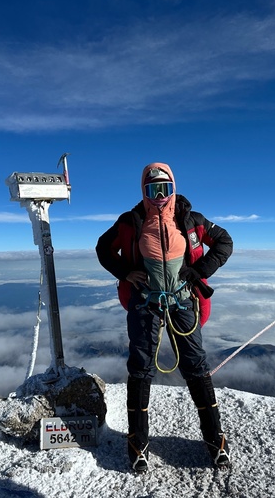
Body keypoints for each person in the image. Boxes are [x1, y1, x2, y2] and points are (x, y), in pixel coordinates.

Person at [96, 162, 234, 473]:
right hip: (146, 303)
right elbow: (104, 248)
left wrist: (199, 272)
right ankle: (137, 442)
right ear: (143, 191)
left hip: (183, 302)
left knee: (196, 366)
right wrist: (124, 273)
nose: (159, 196)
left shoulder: (189, 219)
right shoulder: (130, 221)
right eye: (152, 189)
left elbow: (224, 242)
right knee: (141, 368)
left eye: (165, 189)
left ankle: (215, 440)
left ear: (173, 187)